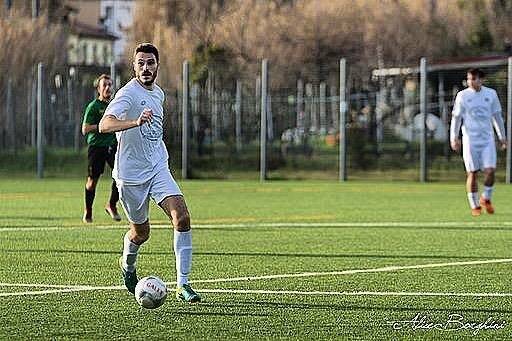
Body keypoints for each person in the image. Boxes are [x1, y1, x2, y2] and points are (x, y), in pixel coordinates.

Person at [99, 43, 201, 303]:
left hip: (158, 167)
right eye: (141, 63)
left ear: (157, 66)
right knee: (141, 233)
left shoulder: (159, 94)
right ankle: (128, 265)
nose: (146, 68)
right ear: (134, 67)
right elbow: (104, 124)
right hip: (130, 177)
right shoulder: (127, 94)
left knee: (182, 217)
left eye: (150, 63)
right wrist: (134, 122)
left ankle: (183, 284)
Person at [450, 68, 507, 216]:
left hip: (487, 139)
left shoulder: (491, 94)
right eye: (469, 79)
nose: (471, 82)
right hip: (470, 140)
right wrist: (454, 138)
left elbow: (497, 117)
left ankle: (486, 198)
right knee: (473, 173)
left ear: (481, 79)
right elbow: (456, 118)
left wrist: (502, 137)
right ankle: (475, 205)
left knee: (490, 171)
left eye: (474, 79)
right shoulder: (462, 96)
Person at [82, 74, 122, 223]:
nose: (107, 88)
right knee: (92, 181)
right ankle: (88, 210)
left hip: (112, 146)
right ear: (98, 89)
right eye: (104, 85)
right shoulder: (93, 107)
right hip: (96, 147)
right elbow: (85, 129)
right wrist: (102, 127)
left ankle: (111, 205)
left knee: (120, 175)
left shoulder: (114, 106)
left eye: (110, 85)